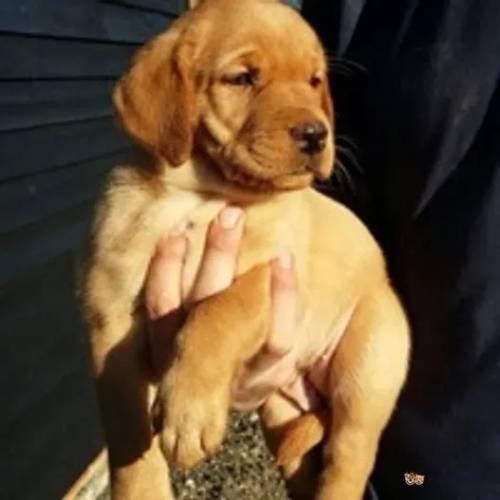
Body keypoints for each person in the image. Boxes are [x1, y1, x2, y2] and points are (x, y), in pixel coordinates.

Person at [146, 1, 500, 498]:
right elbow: (312, 209)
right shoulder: (363, 15)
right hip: (417, 466)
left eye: (316, 83)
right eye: (245, 78)